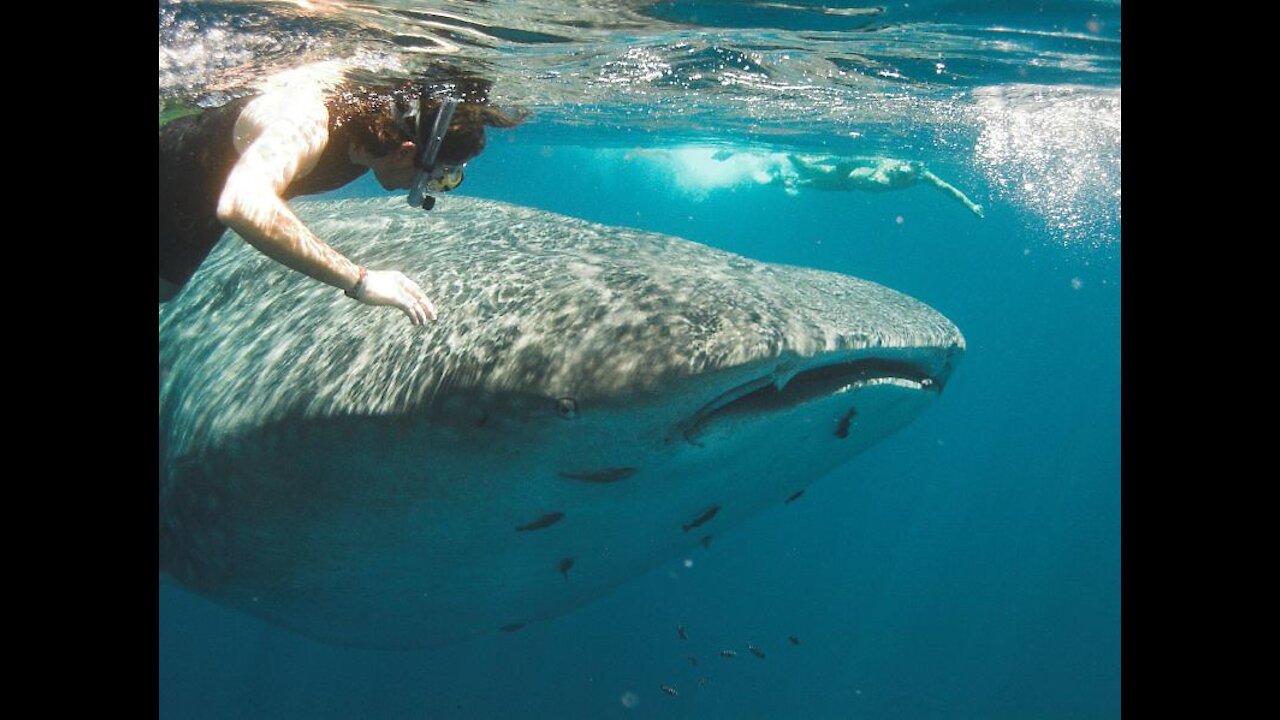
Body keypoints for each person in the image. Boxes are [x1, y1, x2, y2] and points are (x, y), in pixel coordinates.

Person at [159, 62, 526, 324]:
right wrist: (360, 280)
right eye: (441, 176)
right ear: (406, 152)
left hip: (191, 209)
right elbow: (243, 204)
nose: (435, 188)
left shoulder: (373, 138)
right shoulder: (306, 121)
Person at [777, 154, 985, 217]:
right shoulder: (888, 163)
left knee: (805, 183)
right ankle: (785, 155)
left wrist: (971, 205)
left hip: (849, 187)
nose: (898, 174)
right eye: (899, 170)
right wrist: (845, 166)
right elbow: (857, 161)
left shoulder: (922, 176)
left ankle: (780, 179)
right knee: (807, 168)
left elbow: (948, 190)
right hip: (846, 175)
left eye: (903, 174)